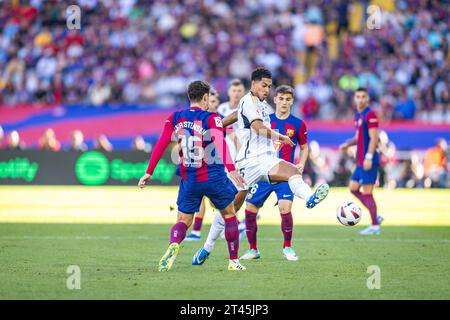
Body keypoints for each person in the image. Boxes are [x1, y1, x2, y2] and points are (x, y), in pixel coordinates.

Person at [192, 68, 329, 265]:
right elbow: (257, 127)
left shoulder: (262, 105)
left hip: (267, 159)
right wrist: (281, 137)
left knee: (291, 170)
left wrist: (218, 124)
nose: (267, 90)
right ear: (253, 84)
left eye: (269, 86)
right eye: (263, 86)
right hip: (248, 163)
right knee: (230, 208)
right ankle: (207, 247)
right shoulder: (248, 101)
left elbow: (235, 115)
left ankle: (310, 197)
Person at [138, 80, 247, 272]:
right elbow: (220, 144)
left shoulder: (175, 117)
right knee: (230, 215)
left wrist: (149, 172)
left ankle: (174, 245)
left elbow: (162, 143)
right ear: (205, 98)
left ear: (190, 97)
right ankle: (233, 261)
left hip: (190, 178)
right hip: (213, 177)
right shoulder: (211, 117)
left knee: (183, 221)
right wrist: (231, 169)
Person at [240, 85, 309, 261]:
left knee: (285, 208)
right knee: (250, 209)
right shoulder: (265, 120)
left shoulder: (298, 124)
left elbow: (304, 146)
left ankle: (287, 247)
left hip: (284, 175)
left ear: (292, 102)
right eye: (281, 98)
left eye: (288, 99)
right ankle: (253, 249)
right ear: (275, 100)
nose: (284, 102)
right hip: (262, 172)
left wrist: (301, 163)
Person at [339, 87, 383, 235]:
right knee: (353, 188)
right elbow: (358, 137)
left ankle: (375, 226)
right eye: (358, 96)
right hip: (360, 161)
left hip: (368, 160)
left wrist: (369, 157)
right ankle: (374, 214)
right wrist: (347, 144)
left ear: (368, 99)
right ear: (354, 98)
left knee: (368, 192)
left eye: (363, 96)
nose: (361, 99)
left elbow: (374, 138)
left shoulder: (370, 114)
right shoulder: (358, 115)